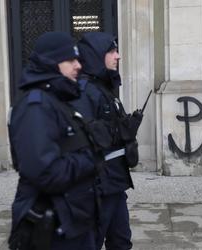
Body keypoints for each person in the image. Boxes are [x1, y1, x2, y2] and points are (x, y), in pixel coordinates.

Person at [7, 32, 106, 250]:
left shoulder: (55, 101)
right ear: (52, 63)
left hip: (72, 222)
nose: (78, 66)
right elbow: (44, 172)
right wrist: (90, 159)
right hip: (54, 229)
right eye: (71, 60)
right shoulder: (36, 106)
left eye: (78, 59)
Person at [70, 32, 143, 250]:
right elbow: (81, 137)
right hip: (97, 187)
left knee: (121, 242)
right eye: (112, 51)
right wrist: (119, 132)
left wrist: (127, 127)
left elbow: (109, 127)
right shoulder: (83, 92)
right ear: (96, 55)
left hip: (115, 183)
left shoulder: (104, 88)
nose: (118, 56)